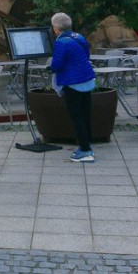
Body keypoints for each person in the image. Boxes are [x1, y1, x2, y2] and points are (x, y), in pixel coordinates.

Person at [50, 12, 96, 162]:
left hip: (72, 82)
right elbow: (86, 56)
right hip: (86, 80)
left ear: (56, 28)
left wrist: (50, 68)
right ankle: (87, 145)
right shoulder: (79, 37)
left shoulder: (61, 42)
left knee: (76, 116)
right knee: (85, 114)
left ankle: (85, 152)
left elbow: (57, 65)